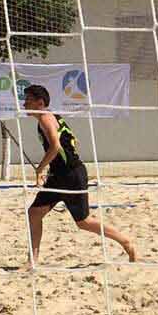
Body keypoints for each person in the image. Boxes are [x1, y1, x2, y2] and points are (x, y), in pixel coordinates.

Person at [23, 84, 135, 263]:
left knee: (83, 222)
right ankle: (32, 262)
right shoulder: (52, 117)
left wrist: (40, 168)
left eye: (27, 100)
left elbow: (55, 146)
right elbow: (71, 141)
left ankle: (125, 241)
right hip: (59, 176)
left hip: (71, 175)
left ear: (40, 102)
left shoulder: (45, 118)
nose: (23, 104)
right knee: (34, 213)